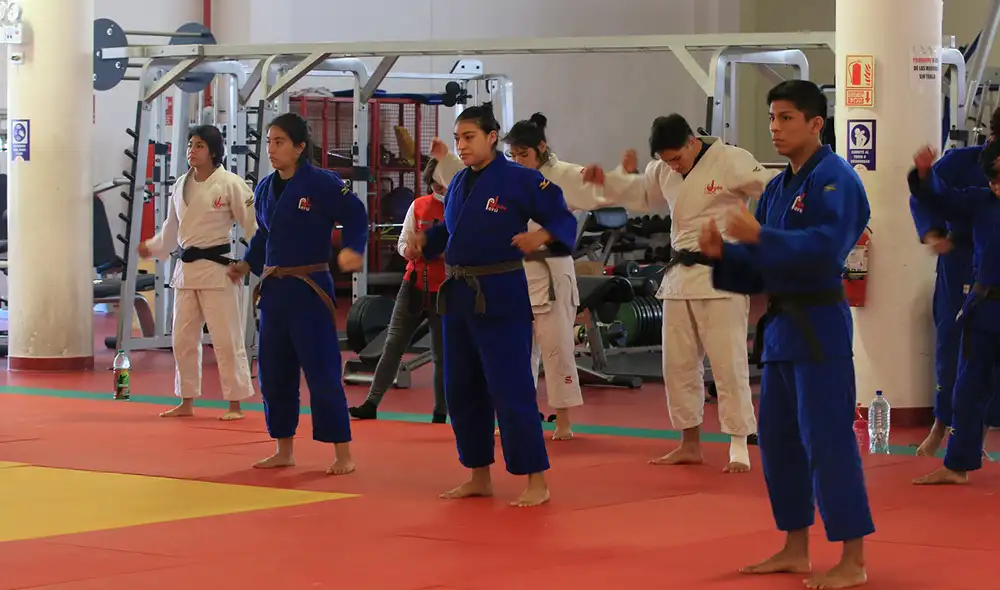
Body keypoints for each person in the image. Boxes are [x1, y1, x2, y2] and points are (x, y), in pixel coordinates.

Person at [698, 80, 873, 589]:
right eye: (772, 118)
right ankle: (796, 548)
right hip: (780, 331)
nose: (775, 127)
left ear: (816, 123)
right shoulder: (776, 188)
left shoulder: (835, 179)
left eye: (787, 118)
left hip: (819, 326)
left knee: (828, 441)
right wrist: (724, 255)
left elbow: (825, 248)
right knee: (778, 442)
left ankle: (853, 559)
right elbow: (757, 265)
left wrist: (761, 237)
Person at [404, 102, 579, 507]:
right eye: (457, 138)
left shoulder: (520, 179)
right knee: (462, 388)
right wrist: (423, 243)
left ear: (491, 137)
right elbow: (451, 231)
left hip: (501, 292)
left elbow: (563, 219)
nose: (461, 146)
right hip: (459, 294)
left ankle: (536, 479)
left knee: (511, 387)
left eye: (469, 138)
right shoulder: (460, 183)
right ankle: (478, 473)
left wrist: (543, 238)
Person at [581, 114, 768, 473]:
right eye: (666, 160)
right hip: (679, 276)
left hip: (722, 274)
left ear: (693, 142)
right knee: (679, 365)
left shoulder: (731, 159)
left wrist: (763, 238)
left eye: (677, 158)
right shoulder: (662, 170)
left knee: (729, 365)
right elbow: (640, 195)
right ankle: (690, 443)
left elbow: (772, 188)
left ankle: (739, 444)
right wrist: (608, 179)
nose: (673, 166)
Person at [430, 112, 605, 440]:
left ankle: (563, 420)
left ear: (541, 148)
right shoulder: (502, 175)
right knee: (516, 353)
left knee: (557, 349)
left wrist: (547, 232)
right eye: (514, 155)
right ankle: (517, 418)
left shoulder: (561, 175)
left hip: (552, 271)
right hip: (513, 273)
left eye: (524, 154)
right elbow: (467, 182)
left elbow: (595, 195)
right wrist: (444, 158)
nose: (519, 160)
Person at [228, 112, 368, 475]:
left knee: (321, 372)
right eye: (269, 143)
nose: (272, 150)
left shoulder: (322, 183)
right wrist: (247, 263)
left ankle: (343, 453)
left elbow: (355, 214)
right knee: (275, 373)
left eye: (280, 143)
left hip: (309, 289)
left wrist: (353, 247)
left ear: (300, 147)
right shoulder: (263, 188)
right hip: (275, 291)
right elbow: (264, 235)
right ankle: (283, 448)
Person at [138, 124, 256, 421]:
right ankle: (186, 400)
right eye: (190, 144)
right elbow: (170, 229)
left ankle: (235, 403)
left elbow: (253, 225)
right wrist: (153, 248)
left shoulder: (231, 183)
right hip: (186, 270)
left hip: (219, 270)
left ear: (214, 151)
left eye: (200, 145)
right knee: (182, 339)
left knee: (227, 339)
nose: (192, 150)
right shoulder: (180, 184)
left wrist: (254, 260)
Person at [908, 110, 1000, 457]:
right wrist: (932, 232)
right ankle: (940, 426)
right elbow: (930, 195)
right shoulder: (961, 163)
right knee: (953, 346)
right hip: (960, 260)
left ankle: (981, 434)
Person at [349, 159, 448, 424]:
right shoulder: (418, 206)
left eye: (443, 177)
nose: (439, 183)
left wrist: (438, 251)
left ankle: (441, 413)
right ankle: (371, 402)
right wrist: (410, 251)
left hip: (446, 290)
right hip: (413, 284)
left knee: (442, 354)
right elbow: (403, 242)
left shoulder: (459, 208)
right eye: (435, 178)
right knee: (393, 344)